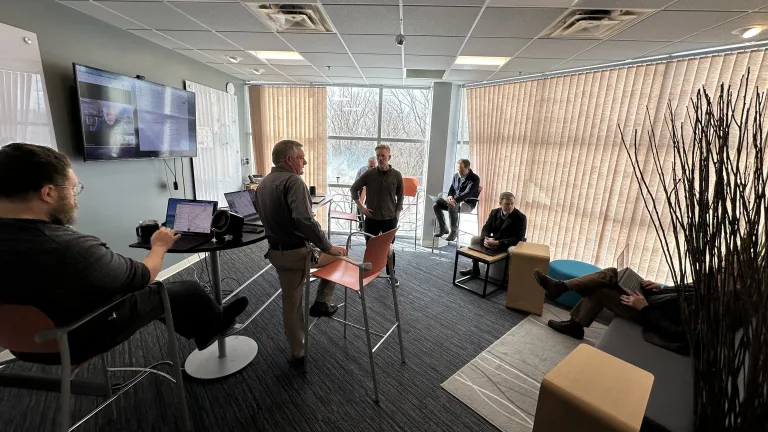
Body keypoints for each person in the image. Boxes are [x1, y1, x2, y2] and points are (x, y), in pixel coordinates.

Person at [0, 143, 248, 364]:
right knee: (181, 290)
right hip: (74, 340)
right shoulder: (69, 247)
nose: (75, 198)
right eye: (73, 189)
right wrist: (159, 246)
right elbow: (142, 276)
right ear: (49, 193)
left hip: (19, 345)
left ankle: (205, 328)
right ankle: (214, 324)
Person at [255, 139, 348, 368]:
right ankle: (321, 302)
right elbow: (304, 220)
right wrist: (327, 246)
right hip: (299, 254)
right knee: (341, 253)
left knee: (291, 302)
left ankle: (298, 352)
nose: (304, 161)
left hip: (277, 254)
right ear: (289, 159)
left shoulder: (263, 183)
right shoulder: (294, 181)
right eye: (301, 157)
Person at [532, 268, 689, 355]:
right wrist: (660, 288)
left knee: (600, 289)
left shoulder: (709, 307)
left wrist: (644, 307)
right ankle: (561, 289)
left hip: (647, 314)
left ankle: (563, 296)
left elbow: (679, 332)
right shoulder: (706, 286)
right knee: (612, 273)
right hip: (651, 300)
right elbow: (676, 297)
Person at [350, 144, 403, 284]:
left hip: (390, 219)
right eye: (378, 155)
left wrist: (396, 216)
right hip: (372, 218)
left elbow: (400, 197)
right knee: (371, 248)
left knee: (389, 248)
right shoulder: (369, 174)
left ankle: (391, 274)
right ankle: (369, 273)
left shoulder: (396, 175)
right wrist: (361, 207)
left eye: (383, 156)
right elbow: (353, 188)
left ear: (389, 157)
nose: (380, 158)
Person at [460, 192, 526, 277]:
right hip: (495, 239)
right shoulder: (494, 212)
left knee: (512, 250)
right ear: (500, 203)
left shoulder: (521, 217)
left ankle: (510, 278)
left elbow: (518, 238)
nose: (510, 206)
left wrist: (498, 243)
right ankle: (475, 270)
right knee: (474, 239)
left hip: (509, 243)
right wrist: (486, 239)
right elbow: (486, 228)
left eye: (512, 204)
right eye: (507, 204)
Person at [433, 159, 480, 241]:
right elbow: (451, 189)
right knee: (436, 206)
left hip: (467, 204)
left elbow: (467, 193)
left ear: (468, 168)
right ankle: (443, 228)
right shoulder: (456, 176)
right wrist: (450, 196)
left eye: (462, 170)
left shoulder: (474, 178)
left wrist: (455, 201)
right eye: (458, 169)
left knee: (452, 206)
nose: (459, 172)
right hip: (454, 202)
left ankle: (454, 232)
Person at [354, 156, 377, 229]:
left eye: (374, 166)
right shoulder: (362, 170)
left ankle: (370, 223)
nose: (373, 167)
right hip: (362, 189)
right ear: (368, 164)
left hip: (373, 191)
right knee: (359, 205)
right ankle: (361, 223)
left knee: (372, 205)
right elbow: (356, 182)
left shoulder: (379, 170)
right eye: (371, 166)